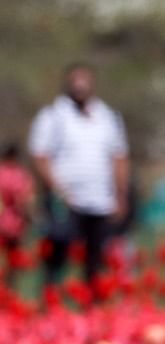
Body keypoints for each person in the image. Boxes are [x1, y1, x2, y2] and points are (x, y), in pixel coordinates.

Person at [28, 63, 130, 300]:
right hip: (66, 199)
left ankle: (92, 304)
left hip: (100, 199)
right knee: (58, 252)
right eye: (75, 80)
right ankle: (51, 302)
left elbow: (119, 156)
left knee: (96, 255)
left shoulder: (108, 117)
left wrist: (120, 194)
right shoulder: (53, 116)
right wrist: (57, 189)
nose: (80, 85)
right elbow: (40, 155)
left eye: (84, 80)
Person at [0, 144, 35, 285]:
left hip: (2, 221)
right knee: (13, 263)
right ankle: (9, 293)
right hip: (15, 223)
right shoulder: (21, 175)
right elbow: (25, 201)